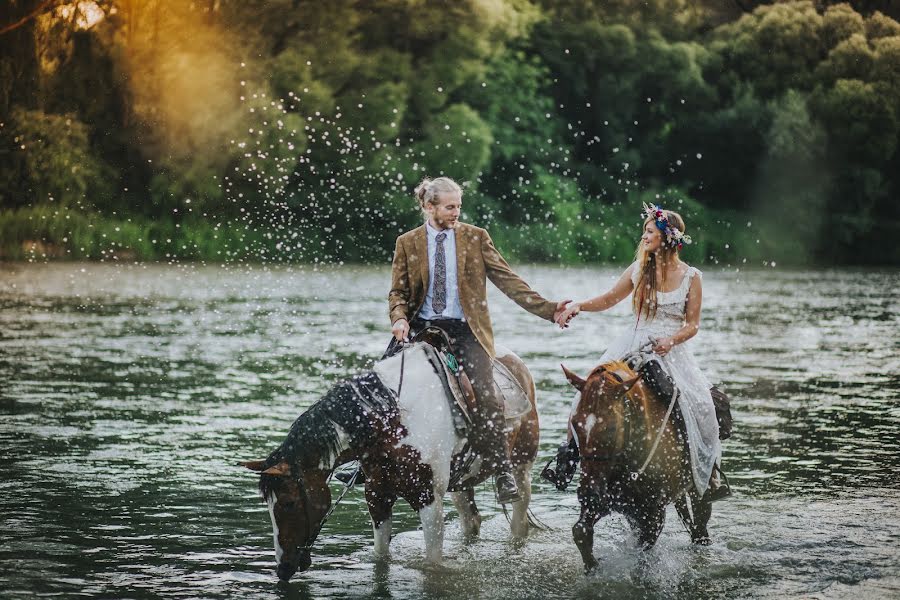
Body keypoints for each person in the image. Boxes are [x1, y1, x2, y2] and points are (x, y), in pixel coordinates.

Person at [387, 176, 571, 504]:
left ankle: (501, 470)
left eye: (459, 205)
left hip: (465, 331)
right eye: (450, 206)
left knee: (487, 394)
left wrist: (550, 310)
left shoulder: (476, 238)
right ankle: (367, 461)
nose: (457, 211)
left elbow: (508, 280)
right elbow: (398, 291)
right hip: (420, 330)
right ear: (429, 207)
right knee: (379, 386)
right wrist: (399, 318)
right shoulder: (407, 242)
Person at [546, 203, 728, 500]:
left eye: (650, 231)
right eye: (644, 231)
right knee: (585, 395)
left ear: (668, 238)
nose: (644, 236)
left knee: (703, 407)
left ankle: (709, 478)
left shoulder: (692, 277)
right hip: (632, 344)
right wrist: (578, 305)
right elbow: (608, 299)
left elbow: (693, 325)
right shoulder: (640, 269)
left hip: (670, 350)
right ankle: (566, 461)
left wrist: (671, 341)